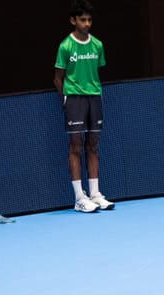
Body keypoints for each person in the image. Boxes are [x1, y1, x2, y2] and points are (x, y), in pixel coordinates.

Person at [53, 0, 114, 213]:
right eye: (82, 20)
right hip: (75, 99)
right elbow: (58, 78)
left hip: (94, 98)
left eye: (89, 20)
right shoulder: (65, 46)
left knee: (93, 145)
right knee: (75, 146)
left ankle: (95, 193)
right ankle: (79, 198)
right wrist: (66, 99)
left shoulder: (97, 45)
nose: (87, 23)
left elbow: (96, 70)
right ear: (73, 21)